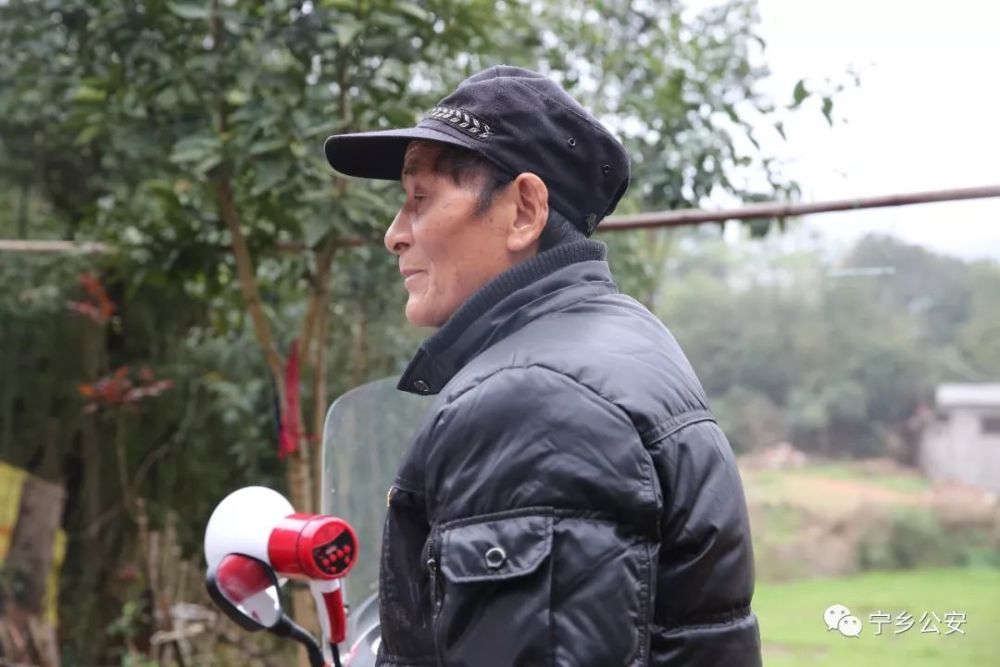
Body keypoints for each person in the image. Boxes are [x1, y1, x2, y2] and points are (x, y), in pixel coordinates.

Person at [324, 66, 761, 667]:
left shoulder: (528, 403)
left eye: (420, 198)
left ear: (525, 211)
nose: (394, 234)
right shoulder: (621, 337)